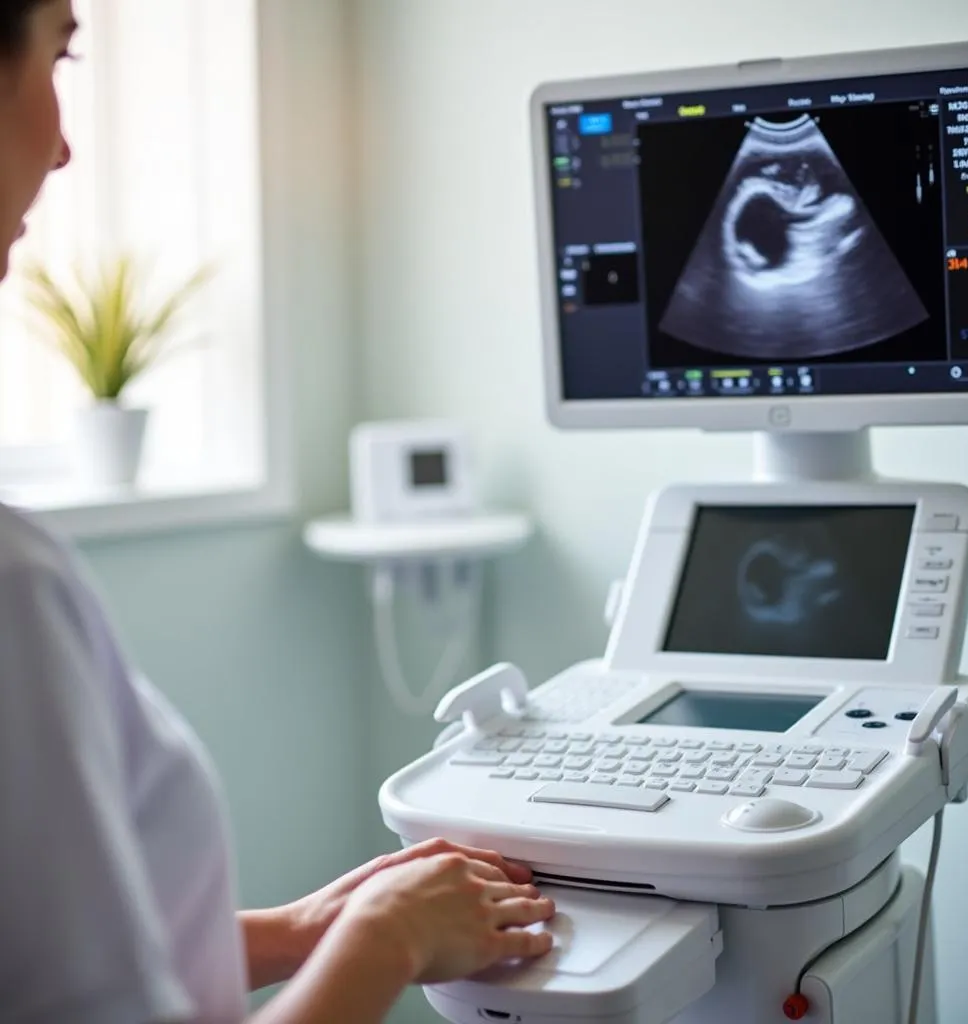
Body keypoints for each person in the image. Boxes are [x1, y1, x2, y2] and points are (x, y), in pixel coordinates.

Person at [0, 2, 556, 1021]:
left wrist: (306, 930)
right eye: (59, 56)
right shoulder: (11, 585)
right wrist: (383, 944)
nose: (70, 143)